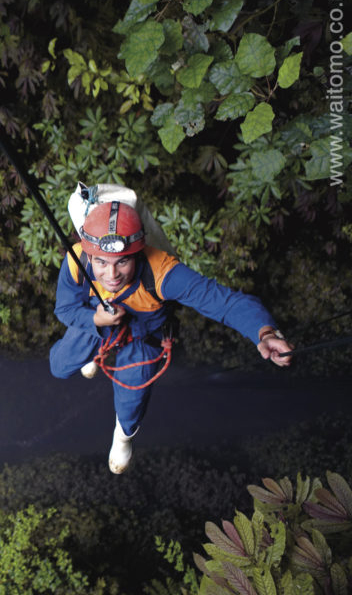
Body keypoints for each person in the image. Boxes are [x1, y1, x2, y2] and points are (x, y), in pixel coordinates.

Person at [49, 200, 293, 474]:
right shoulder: (76, 260)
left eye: (123, 261)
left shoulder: (163, 272)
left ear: (138, 252)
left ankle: (123, 436)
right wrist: (95, 319)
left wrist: (264, 331)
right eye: (101, 263)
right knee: (59, 367)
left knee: (131, 400)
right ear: (90, 255)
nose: (112, 274)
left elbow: (222, 302)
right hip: (96, 322)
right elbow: (66, 309)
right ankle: (94, 353)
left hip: (144, 336)